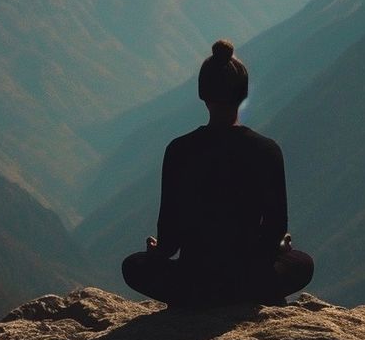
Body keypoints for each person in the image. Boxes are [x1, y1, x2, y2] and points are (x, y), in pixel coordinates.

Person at [122, 39, 314, 306]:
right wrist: (277, 250)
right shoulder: (267, 150)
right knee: (303, 263)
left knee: (133, 266)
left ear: (203, 94)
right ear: (243, 94)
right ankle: (249, 294)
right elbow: (275, 228)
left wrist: (157, 251)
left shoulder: (179, 150)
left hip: (193, 281)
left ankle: (199, 298)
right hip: (246, 280)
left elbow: (169, 240)